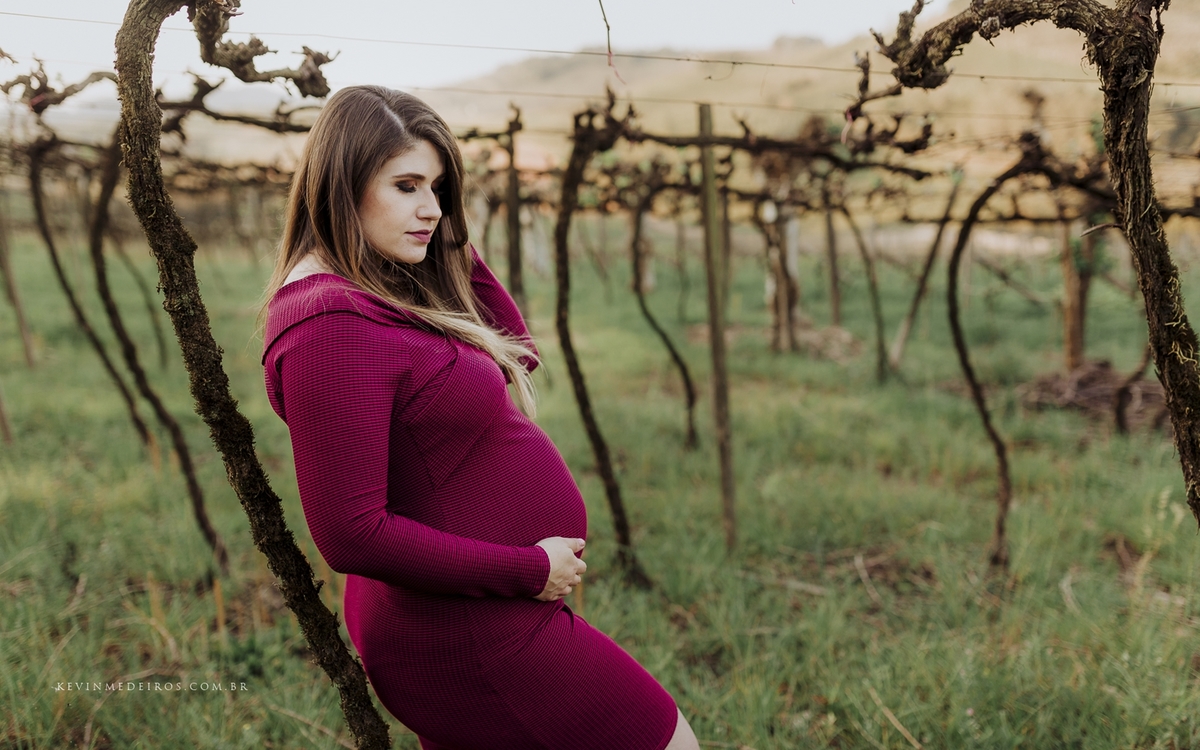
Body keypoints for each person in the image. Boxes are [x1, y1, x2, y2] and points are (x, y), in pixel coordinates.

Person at [260, 85, 700, 750]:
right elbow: (351, 535)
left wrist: (447, 236)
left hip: (481, 617)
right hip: (462, 634)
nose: (431, 209)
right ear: (342, 186)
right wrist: (528, 570)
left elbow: (516, 350)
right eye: (406, 186)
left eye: (438, 188)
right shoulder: (330, 326)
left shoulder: (377, 290)